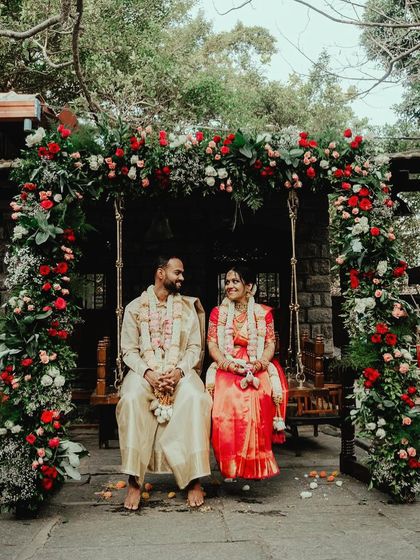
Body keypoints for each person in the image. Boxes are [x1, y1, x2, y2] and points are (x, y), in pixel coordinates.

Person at [116, 256, 212, 510]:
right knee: (131, 398)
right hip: (145, 373)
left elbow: (194, 348)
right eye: (177, 273)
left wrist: (179, 371)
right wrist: (148, 372)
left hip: (178, 371)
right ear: (161, 273)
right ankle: (134, 481)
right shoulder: (135, 308)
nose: (182, 278)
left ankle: (193, 479)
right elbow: (128, 350)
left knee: (196, 398)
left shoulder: (188, 308)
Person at [206, 264, 288, 480]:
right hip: (227, 364)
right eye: (227, 282)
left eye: (235, 281)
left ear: (249, 286)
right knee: (225, 401)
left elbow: (270, 343)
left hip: (256, 363)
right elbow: (212, 344)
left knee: (258, 395)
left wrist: (260, 363)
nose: (229, 286)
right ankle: (230, 466)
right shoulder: (218, 313)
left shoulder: (263, 313)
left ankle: (254, 465)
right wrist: (227, 364)